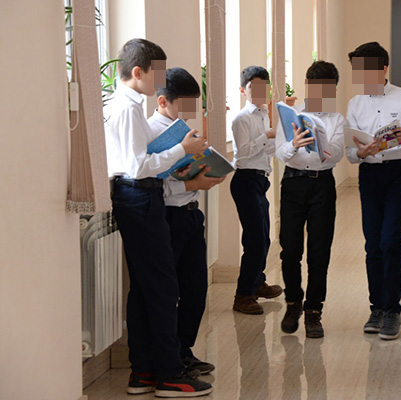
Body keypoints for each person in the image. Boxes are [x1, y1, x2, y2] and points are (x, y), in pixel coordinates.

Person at [103, 39, 212, 397]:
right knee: (163, 289)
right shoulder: (128, 108)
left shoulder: (127, 105)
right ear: (138, 72)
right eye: (158, 74)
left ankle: (144, 372)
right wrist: (183, 149)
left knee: (146, 289)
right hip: (139, 196)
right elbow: (138, 166)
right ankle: (170, 375)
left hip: (137, 197)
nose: (161, 81)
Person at [147, 67, 224, 376]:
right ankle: (168, 357)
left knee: (195, 288)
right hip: (168, 216)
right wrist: (192, 183)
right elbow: (155, 183)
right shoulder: (152, 131)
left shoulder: (183, 130)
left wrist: (206, 171)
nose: (191, 111)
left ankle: (183, 350)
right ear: (163, 101)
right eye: (186, 104)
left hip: (192, 214)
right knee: (170, 291)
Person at [345, 41, 401, 340]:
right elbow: (350, 151)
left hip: (399, 173)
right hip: (370, 174)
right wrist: (361, 152)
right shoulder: (355, 103)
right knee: (373, 244)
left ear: (383, 68)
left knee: (391, 241)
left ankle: (392, 310)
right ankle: (376, 308)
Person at [276, 61, 345, 339]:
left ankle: (314, 310)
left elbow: (337, 154)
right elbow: (280, 152)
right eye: (317, 87)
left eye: (328, 89)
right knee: (290, 248)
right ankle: (293, 303)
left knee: (319, 250)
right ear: (308, 85)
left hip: (322, 185)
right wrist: (294, 144)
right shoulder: (289, 115)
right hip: (293, 183)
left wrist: (320, 141)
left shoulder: (336, 119)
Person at [230, 66, 283, 315]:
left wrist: (282, 142)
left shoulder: (263, 114)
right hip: (246, 181)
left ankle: (257, 282)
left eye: (265, 86)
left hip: (261, 180)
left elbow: (266, 150)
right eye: (254, 87)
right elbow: (243, 153)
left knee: (264, 236)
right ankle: (243, 295)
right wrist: (266, 136)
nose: (261, 91)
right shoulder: (242, 118)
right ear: (243, 90)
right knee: (254, 240)